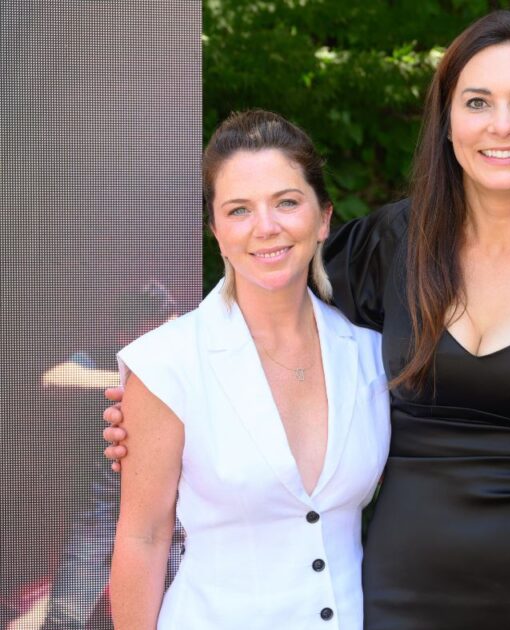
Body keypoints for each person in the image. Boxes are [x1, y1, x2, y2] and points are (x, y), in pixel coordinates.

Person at [105, 10, 510, 629]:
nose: (502, 125)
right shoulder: (387, 245)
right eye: (477, 101)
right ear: (446, 121)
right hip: (404, 589)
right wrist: (163, 399)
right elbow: (268, 286)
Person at [109, 110, 390, 629]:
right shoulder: (166, 364)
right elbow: (142, 540)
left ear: (323, 217)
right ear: (215, 230)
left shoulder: (370, 356)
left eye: (286, 202)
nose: (267, 227)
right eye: (239, 210)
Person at [41, 282, 182, 630]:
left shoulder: (186, 362)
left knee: (182, 612)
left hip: (175, 511)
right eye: (150, 332)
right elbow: (55, 377)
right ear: (126, 332)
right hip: (106, 509)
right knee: (65, 618)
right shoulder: (104, 357)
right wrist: (134, 383)